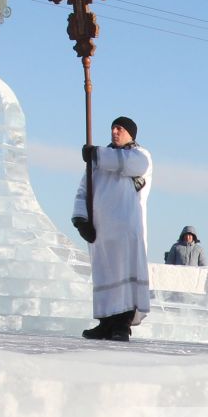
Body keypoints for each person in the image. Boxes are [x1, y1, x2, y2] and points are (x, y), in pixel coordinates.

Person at [72, 115, 152, 342]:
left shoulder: (139, 155)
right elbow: (83, 190)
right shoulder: (98, 163)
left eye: (120, 129)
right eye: (113, 128)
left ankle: (121, 325)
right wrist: (81, 219)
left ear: (131, 134)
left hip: (126, 232)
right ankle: (105, 323)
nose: (115, 132)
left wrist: (96, 154)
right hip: (101, 233)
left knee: (124, 278)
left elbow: (131, 164)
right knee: (104, 277)